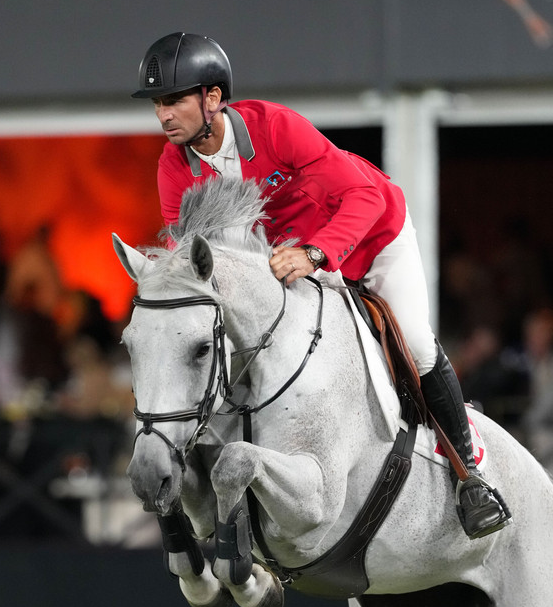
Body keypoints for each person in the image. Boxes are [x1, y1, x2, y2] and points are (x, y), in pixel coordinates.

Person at [132, 32, 510, 539]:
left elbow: (363, 196)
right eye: (159, 103)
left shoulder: (275, 127)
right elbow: (196, 266)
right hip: (293, 263)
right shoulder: (172, 169)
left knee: (415, 342)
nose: (164, 115)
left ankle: (472, 475)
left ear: (213, 98)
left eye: (174, 100)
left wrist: (316, 254)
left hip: (372, 238)